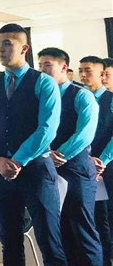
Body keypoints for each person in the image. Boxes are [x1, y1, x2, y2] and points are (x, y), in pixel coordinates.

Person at [0, 23, 65, 265]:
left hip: (35, 169)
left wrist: (18, 161)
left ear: (24, 48)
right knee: (9, 240)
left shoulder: (43, 83)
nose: (1, 49)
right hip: (0, 170)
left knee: (49, 241)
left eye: (7, 44)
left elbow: (47, 129)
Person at [38, 48, 101, 265]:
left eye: (47, 65)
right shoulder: (42, 97)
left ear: (64, 67)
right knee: (60, 230)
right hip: (49, 170)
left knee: (82, 230)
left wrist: (60, 154)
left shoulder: (81, 95)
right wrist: (46, 153)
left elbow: (85, 133)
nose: (42, 70)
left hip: (76, 170)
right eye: (40, 66)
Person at [79, 55, 113, 265]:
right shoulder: (79, 98)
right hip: (84, 166)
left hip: (106, 166)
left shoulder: (110, 99)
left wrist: (102, 161)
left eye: (88, 71)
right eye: (80, 70)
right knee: (94, 217)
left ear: (101, 74)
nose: (83, 75)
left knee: (108, 217)